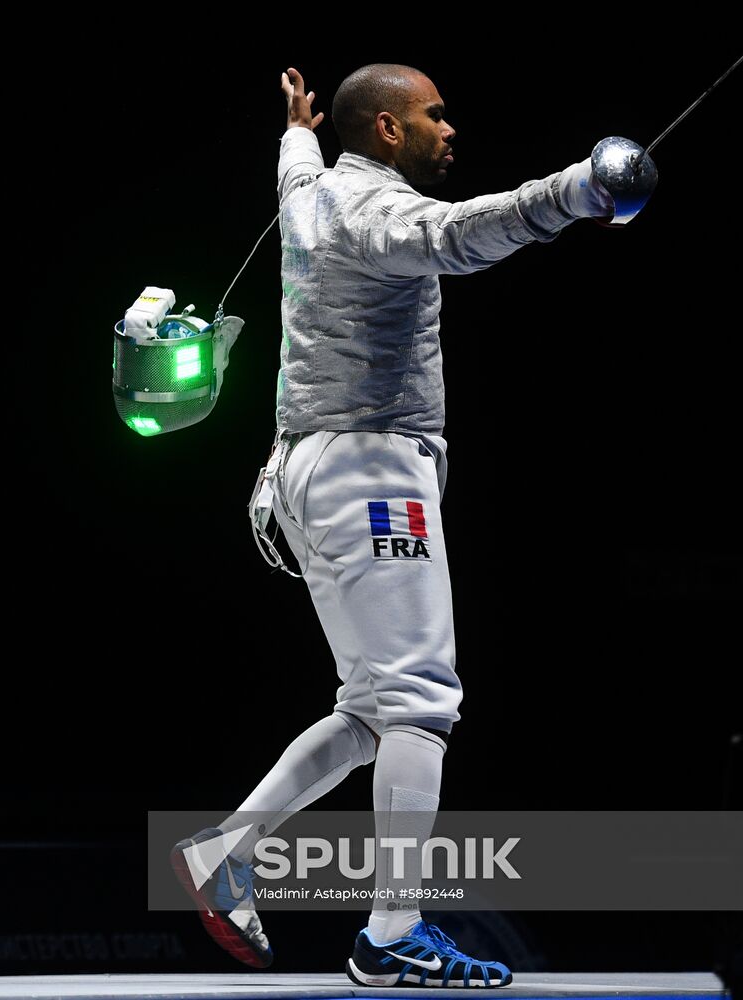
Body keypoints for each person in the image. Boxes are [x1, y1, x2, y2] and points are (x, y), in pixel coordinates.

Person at [172, 62, 643, 989]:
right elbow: (463, 234)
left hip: (305, 470)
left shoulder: (315, 188)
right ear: (387, 130)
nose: (449, 129)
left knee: (370, 708)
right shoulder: (373, 213)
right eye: (432, 116)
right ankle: (391, 934)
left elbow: (295, 172)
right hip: (370, 470)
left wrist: (299, 131)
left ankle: (225, 851)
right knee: (423, 702)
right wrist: (581, 189)